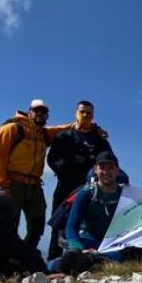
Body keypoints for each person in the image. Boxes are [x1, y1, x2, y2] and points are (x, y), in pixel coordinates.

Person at [0, 99, 69, 248]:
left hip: (34, 187)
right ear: (29, 111)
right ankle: (8, 258)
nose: (40, 113)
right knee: (9, 225)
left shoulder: (44, 134)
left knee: (37, 226)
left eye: (44, 111)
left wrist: (91, 126)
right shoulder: (12, 128)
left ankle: (27, 255)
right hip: (13, 184)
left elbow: (62, 128)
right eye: (37, 110)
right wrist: (4, 185)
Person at [46, 100, 114, 260]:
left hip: (90, 189)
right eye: (82, 111)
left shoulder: (99, 139)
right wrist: (65, 169)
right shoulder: (64, 136)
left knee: (87, 224)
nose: (85, 115)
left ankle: (85, 258)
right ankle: (53, 260)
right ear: (76, 113)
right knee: (59, 223)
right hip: (65, 185)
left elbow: (110, 159)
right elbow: (52, 158)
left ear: (93, 115)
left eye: (89, 113)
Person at [51, 151, 126, 277]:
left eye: (111, 168)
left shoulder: (126, 194)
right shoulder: (86, 193)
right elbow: (71, 226)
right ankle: (92, 262)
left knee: (118, 255)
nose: (106, 172)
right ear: (95, 169)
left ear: (118, 171)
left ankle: (87, 262)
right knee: (61, 262)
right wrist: (76, 247)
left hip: (112, 243)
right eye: (102, 167)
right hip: (87, 240)